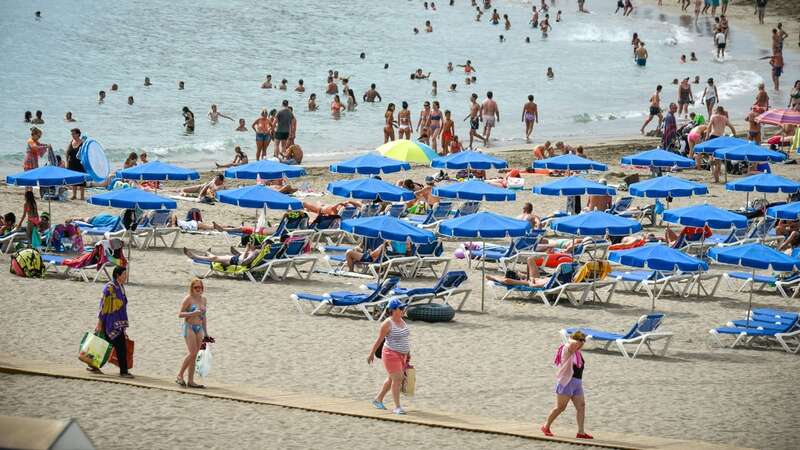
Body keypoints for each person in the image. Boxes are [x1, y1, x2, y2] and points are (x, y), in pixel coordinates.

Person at [541, 330, 592, 439]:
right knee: (560, 407)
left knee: (581, 406)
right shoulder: (567, 349)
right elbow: (573, 343)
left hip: (577, 383)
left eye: (583, 341)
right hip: (566, 382)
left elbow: (576, 345)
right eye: (580, 340)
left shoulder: (577, 352)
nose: (582, 343)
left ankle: (581, 432)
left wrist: (579, 340)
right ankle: (546, 426)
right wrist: (575, 338)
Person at [367, 298, 411, 415]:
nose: (403, 310)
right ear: (393, 310)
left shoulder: (402, 320)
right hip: (390, 354)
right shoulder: (387, 323)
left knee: (392, 378)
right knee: (398, 379)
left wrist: (408, 353)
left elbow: (405, 338)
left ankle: (378, 399)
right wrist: (371, 353)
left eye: (403, 308)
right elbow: (379, 340)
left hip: (403, 355)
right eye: (400, 308)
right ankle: (397, 407)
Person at [91, 266, 133, 378]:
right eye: (124, 274)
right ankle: (123, 372)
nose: (126, 276)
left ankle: (93, 366)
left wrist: (123, 329)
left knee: (105, 345)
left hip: (118, 323)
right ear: (118, 275)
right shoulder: (109, 288)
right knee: (118, 346)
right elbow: (103, 306)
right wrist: (99, 323)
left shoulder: (121, 287)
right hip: (109, 323)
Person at [176, 278, 213, 389]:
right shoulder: (188, 299)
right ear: (192, 288)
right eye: (196, 287)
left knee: (195, 355)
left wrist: (206, 332)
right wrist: (192, 313)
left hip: (199, 328)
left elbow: (204, 316)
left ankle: (190, 380)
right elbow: (180, 314)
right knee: (192, 353)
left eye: (200, 287)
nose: (198, 289)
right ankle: (180, 374)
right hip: (189, 327)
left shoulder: (204, 300)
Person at [184, 242, 263, 268]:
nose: (251, 244)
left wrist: (246, 250)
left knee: (215, 258)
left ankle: (194, 256)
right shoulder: (254, 252)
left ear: (255, 246)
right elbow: (245, 258)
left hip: (235, 261)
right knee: (217, 258)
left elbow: (244, 262)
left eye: (252, 243)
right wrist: (242, 252)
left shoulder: (255, 252)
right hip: (235, 259)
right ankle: (208, 253)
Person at [486, 255, 550, 287]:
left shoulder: (526, 280)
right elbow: (506, 280)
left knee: (530, 259)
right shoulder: (524, 283)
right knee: (530, 259)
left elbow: (505, 279)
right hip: (540, 281)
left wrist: (493, 277)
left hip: (538, 279)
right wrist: (493, 277)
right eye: (516, 275)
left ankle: (523, 275)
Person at [65, 128, 86, 200]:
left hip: (80, 163)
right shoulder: (71, 142)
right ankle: (74, 195)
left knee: (81, 179)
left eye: (74, 133)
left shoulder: (83, 142)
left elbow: (85, 154)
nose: (72, 135)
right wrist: (67, 162)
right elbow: (67, 152)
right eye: (72, 134)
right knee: (74, 179)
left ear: (78, 134)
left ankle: (82, 196)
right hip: (71, 163)